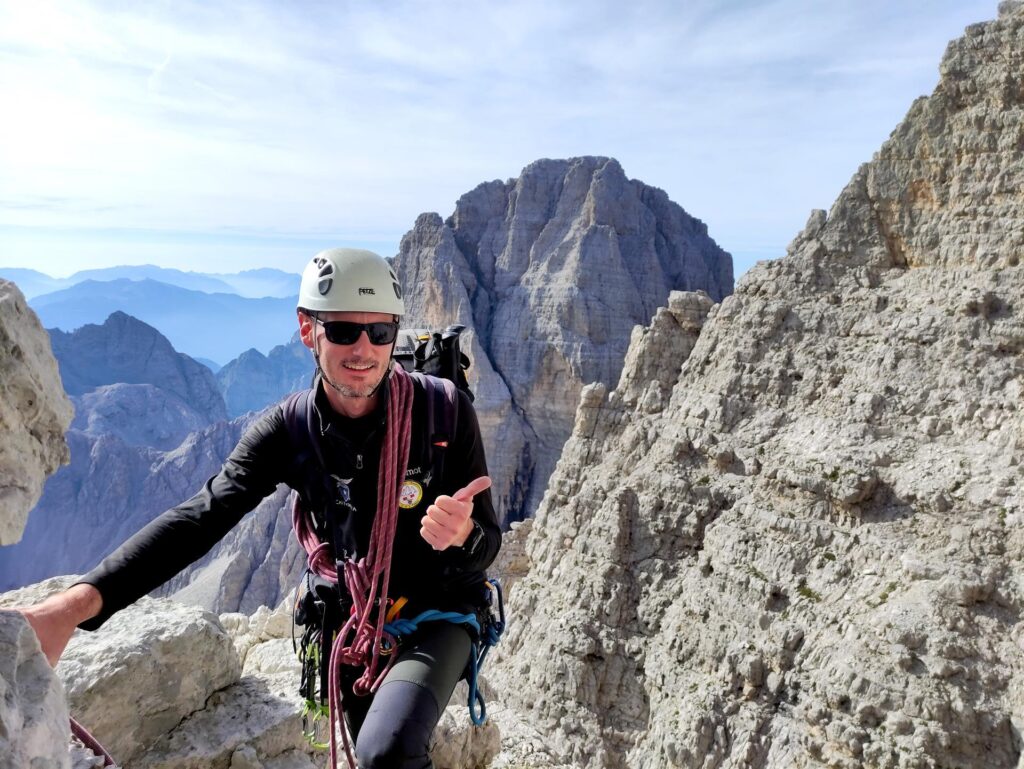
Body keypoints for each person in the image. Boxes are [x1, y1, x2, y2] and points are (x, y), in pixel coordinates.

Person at [19, 247, 502, 769]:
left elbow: (487, 547)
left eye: (380, 332)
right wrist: (72, 608)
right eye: (342, 331)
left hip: (439, 613)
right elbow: (202, 516)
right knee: (371, 756)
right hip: (352, 620)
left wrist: (464, 535)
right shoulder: (290, 430)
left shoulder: (445, 413)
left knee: (387, 751)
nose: (364, 349)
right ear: (306, 329)